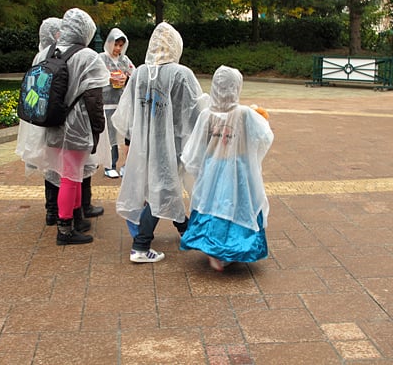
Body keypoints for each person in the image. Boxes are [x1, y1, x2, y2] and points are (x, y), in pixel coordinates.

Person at [111, 22, 207, 263]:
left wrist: (130, 140)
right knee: (162, 188)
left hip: (145, 141)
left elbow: (128, 111)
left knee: (164, 184)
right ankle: (141, 246)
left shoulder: (140, 73)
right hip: (172, 142)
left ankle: (184, 227)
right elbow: (195, 109)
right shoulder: (181, 73)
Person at [17, 8, 110, 245]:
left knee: (68, 173)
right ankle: (66, 228)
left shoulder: (44, 53)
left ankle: (76, 218)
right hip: (76, 126)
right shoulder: (88, 56)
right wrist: (97, 128)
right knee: (71, 176)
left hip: (48, 124)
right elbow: (94, 99)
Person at [180, 65, 274, 271]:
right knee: (237, 205)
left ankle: (212, 248)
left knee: (211, 204)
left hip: (212, 167)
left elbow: (195, 148)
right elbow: (265, 136)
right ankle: (232, 249)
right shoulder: (244, 114)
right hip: (238, 169)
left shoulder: (207, 115)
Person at [99, 28, 135, 178]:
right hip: (106, 103)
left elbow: (135, 73)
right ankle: (110, 165)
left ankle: (127, 164)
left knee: (125, 133)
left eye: (121, 45)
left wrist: (126, 79)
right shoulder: (101, 58)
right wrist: (109, 79)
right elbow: (95, 75)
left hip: (121, 103)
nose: (118, 49)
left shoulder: (124, 60)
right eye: (116, 45)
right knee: (110, 135)